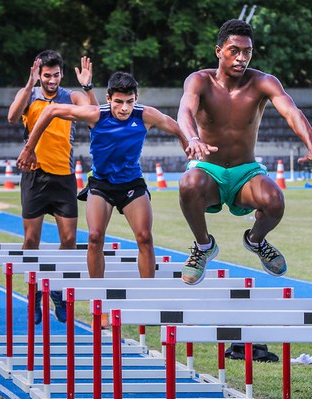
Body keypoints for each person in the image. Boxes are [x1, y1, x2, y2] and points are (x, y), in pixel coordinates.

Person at [177, 19, 312, 285]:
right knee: (188, 184)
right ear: (218, 51)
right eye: (234, 50)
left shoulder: (262, 82)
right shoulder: (200, 80)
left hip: (245, 171)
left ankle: (255, 240)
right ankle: (203, 247)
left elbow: (292, 112)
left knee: (275, 201)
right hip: (208, 169)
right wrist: (192, 137)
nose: (241, 58)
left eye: (247, 52)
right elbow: (185, 111)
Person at [17, 71, 187, 281]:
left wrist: (191, 149)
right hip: (101, 185)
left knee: (145, 237)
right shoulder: (96, 114)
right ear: (108, 99)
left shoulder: (145, 115)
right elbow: (50, 110)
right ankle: (98, 295)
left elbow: (178, 129)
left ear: (136, 99)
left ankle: (147, 294)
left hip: (132, 184)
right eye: (118, 102)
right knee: (95, 237)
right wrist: (29, 148)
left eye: (129, 102)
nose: (124, 108)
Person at [8, 50, 97, 324]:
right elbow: (13, 116)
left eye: (55, 75)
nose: (51, 80)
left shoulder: (69, 97)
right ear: (39, 75)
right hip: (35, 176)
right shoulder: (31, 96)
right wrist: (29, 84)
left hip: (64, 177)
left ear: (61, 74)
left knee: (69, 240)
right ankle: (33, 292)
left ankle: (56, 289)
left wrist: (87, 86)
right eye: (46, 76)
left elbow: (93, 113)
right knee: (31, 240)